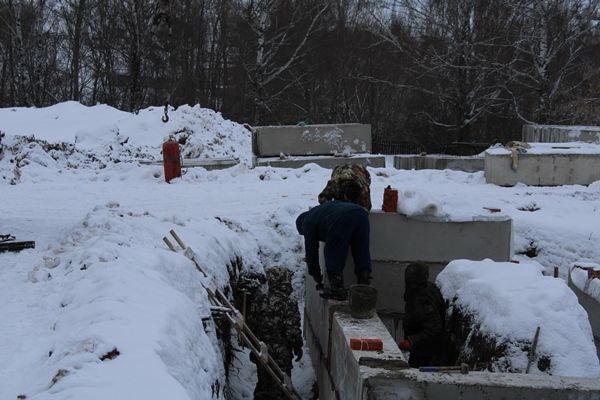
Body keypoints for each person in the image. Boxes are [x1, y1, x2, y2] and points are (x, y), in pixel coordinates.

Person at [296, 180, 372, 300]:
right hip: (360, 213)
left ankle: (337, 288)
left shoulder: (307, 222)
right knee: (361, 248)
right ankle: (364, 284)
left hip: (341, 217)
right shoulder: (319, 212)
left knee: (332, 251)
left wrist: (315, 275)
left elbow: (311, 252)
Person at [241, 268, 303, 400]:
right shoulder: (288, 303)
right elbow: (292, 331)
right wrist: (298, 346)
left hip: (262, 351)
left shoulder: (259, 300)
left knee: (264, 385)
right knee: (281, 386)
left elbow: (251, 327)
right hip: (281, 355)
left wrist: (254, 347)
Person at [399, 262, 447, 367]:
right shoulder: (427, 290)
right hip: (424, 351)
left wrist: (411, 341)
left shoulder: (421, 299)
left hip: (427, 356)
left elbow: (434, 328)